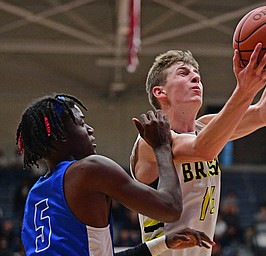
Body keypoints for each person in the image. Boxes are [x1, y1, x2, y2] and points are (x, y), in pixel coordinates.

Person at [130, 3, 266, 256]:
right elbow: (204, 149)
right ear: (160, 92)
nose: (195, 77)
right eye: (183, 73)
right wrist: (244, 89)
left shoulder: (207, 126)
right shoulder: (151, 138)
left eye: (197, 74)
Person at [16, 94, 214, 256]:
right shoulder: (89, 169)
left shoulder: (36, 196)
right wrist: (161, 146)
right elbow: (170, 208)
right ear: (59, 136)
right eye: (80, 123)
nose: (90, 129)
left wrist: (163, 243)